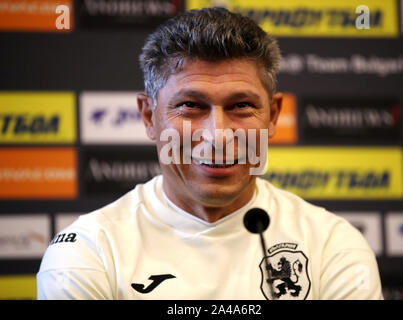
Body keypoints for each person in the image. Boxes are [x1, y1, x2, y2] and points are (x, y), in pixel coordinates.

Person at [37, 7, 383, 300]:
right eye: (190, 106)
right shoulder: (87, 252)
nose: (218, 136)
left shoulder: (333, 246)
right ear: (149, 117)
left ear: (273, 116)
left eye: (242, 106)